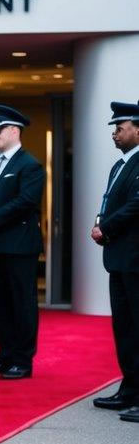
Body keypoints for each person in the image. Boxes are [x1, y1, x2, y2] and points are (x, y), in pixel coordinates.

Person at [0, 104, 46, 380]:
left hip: (18, 245)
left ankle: (22, 361)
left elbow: (26, 201)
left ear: (14, 130)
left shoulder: (30, 165)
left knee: (22, 303)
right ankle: (4, 356)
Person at [90, 100, 139, 422]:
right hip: (119, 258)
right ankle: (129, 389)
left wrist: (105, 228)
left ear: (138, 129)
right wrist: (101, 224)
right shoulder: (120, 165)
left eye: (120, 128)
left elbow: (136, 205)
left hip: (135, 258)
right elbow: (110, 202)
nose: (114, 134)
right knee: (124, 328)